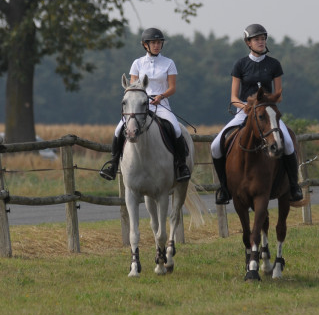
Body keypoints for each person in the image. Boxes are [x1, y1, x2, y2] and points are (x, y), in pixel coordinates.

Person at [211, 23, 304, 205]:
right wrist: (246, 107)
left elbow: (279, 95)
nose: (261, 42)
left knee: (287, 143)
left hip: (267, 113)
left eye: (263, 39)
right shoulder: (240, 65)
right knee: (215, 146)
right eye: (256, 39)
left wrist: (264, 105)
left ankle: (294, 186)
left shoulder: (274, 64)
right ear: (248, 43)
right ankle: (224, 188)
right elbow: (233, 97)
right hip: (244, 111)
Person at [99, 27, 191, 182]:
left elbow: (172, 88)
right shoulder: (137, 63)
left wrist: (161, 96)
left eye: (159, 42)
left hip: (161, 104)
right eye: (153, 42)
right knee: (118, 130)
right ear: (145, 45)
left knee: (176, 129)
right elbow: (134, 86)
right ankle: (113, 165)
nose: (157, 45)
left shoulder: (169, 63)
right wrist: (142, 99)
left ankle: (181, 165)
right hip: (140, 105)